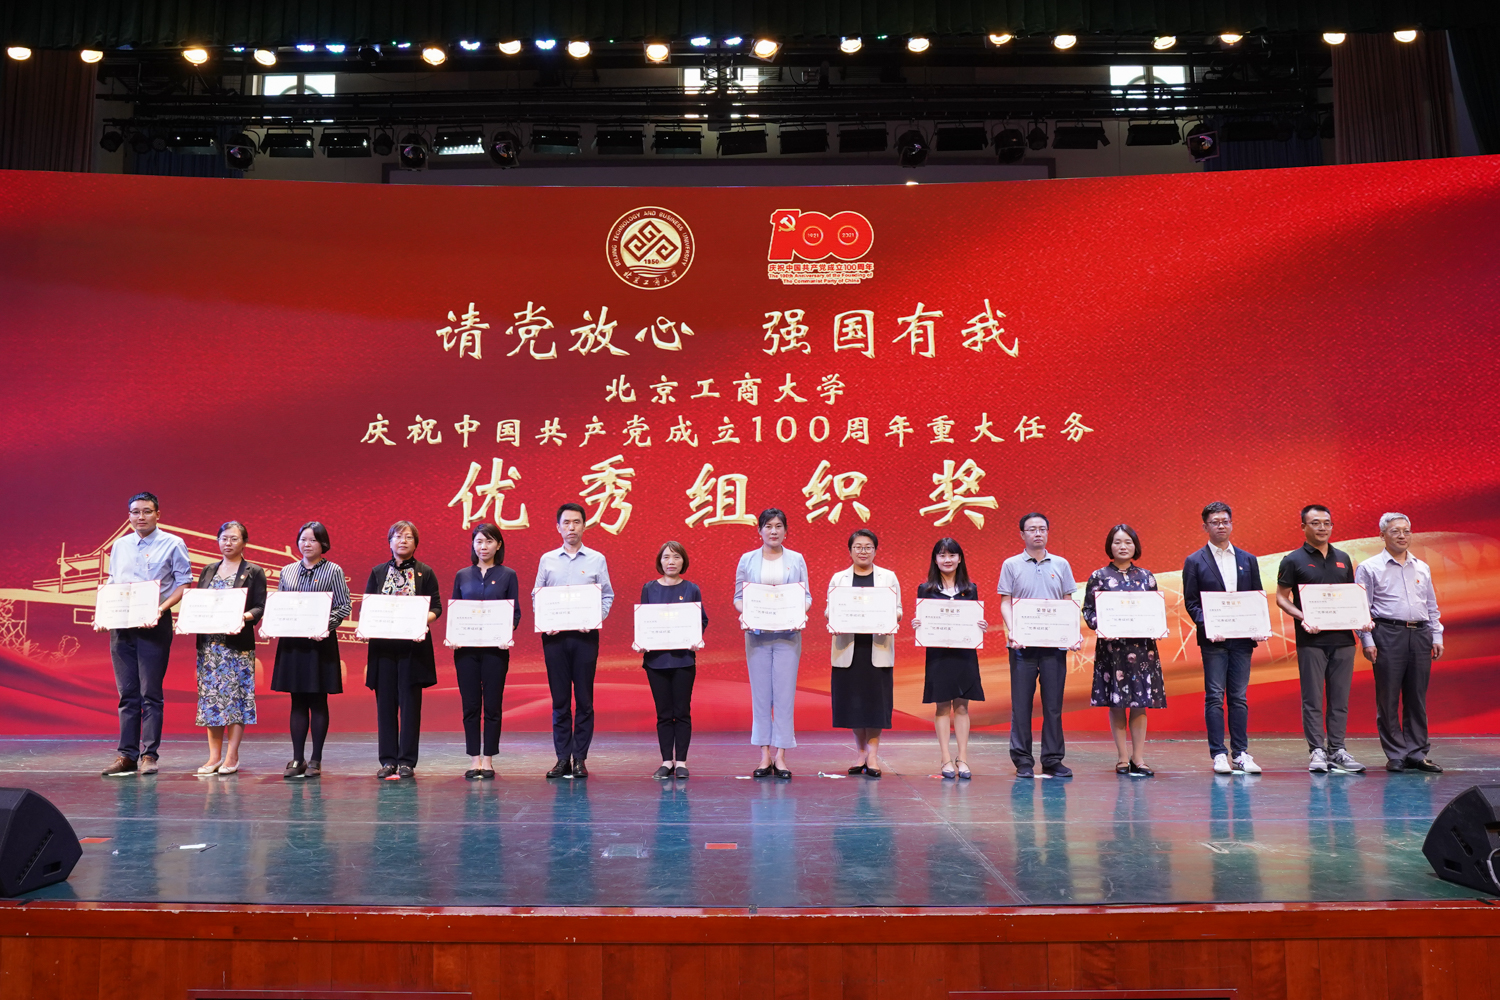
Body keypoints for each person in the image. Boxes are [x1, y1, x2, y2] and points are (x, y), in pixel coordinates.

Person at [98, 491, 193, 777]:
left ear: (157, 514)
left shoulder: (173, 543)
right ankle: (126, 755)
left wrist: (160, 609)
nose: (141, 517)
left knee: (150, 693)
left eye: (147, 511)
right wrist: (103, 614)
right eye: (135, 512)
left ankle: (149, 755)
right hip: (121, 625)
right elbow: (113, 582)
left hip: (154, 625)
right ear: (129, 516)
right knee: (127, 693)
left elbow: (184, 583)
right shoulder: (120, 545)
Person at [1276, 504, 1370, 774]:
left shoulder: (1343, 558)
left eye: (1327, 523)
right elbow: (1281, 597)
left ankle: (1337, 748)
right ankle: (1317, 750)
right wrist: (1302, 617)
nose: (1322, 528)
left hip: (1343, 640)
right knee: (1313, 698)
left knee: (1340, 698)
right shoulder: (1293, 560)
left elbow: (1350, 595)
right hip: (1312, 640)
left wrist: (1361, 619)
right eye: (1315, 523)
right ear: (1303, 527)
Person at [1182, 501, 1267, 775]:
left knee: (1239, 697)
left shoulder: (1247, 559)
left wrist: (1258, 625)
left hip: (1242, 640)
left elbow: (1256, 597)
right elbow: (1191, 602)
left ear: (1231, 524)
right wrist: (1208, 625)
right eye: (1215, 522)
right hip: (1214, 640)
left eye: (1225, 521)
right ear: (1205, 526)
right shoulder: (1195, 561)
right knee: (1215, 696)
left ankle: (1241, 753)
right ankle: (1218, 754)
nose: (1221, 526)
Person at [1356, 513, 1444, 773]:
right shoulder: (1369, 567)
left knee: (1417, 696)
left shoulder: (1422, 567)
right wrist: (1367, 640)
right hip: (1387, 633)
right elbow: (1361, 609)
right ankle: (1395, 753)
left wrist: (1436, 635)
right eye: (1395, 531)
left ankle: (1417, 753)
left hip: (1420, 634)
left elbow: (1431, 605)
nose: (1402, 536)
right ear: (1382, 535)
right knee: (1388, 696)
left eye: (1406, 531)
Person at [997, 511, 1082, 778]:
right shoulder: (1011, 564)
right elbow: (1005, 602)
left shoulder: (1061, 564)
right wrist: (1013, 631)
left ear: (1047, 532)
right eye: (1032, 529)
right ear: (1022, 534)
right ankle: (1023, 760)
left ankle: (1053, 759)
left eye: (1042, 529)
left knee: (1053, 705)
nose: (1037, 533)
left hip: (1054, 647)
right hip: (1021, 646)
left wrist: (1072, 633)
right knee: (1021, 705)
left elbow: (1068, 603)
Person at [534, 503, 614, 779]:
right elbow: (537, 595)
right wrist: (544, 621)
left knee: (584, 700)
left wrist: (594, 618)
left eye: (576, 522)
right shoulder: (547, 559)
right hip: (554, 639)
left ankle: (579, 758)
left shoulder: (596, 559)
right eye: (566, 522)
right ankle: (561, 759)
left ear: (584, 525)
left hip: (585, 638)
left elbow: (607, 595)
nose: (571, 527)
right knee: (560, 700)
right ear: (558, 527)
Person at [1082, 525, 1167, 777]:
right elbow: (1088, 610)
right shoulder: (1098, 576)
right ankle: (1121, 757)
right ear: (1110, 546)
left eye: (1128, 542)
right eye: (1117, 542)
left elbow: (1155, 610)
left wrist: (1156, 626)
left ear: (1135, 546)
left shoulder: (1146, 577)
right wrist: (1101, 626)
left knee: (1140, 703)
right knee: (1117, 702)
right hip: (1113, 649)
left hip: (1142, 649)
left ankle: (1138, 758)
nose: (1123, 546)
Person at [269, 521, 351, 779]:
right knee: (297, 701)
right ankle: (297, 759)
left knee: (317, 700)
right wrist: (273, 624)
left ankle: (315, 759)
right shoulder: (288, 571)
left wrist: (324, 626)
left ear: (323, 543)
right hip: (293, 644)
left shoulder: (333, 570)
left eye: (313, 540)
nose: (307, 544)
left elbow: (344, 606)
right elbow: (281, 604)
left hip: (320, 644)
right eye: (303, 539)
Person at [734, 507, 811, 779]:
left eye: (778, 526)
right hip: (757, 635)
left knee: (784, 696)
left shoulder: (796, 559)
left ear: (786, 531)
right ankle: (764, 753)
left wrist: (798, 613)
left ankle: (781, 755)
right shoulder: (747, 560)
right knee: (761, 696)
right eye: (768, 526)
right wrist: (747, 612)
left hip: (788, 635)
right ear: (760, 531)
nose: (773, 531)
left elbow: (806, 596)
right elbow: (739, 597)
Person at [361, 520, 442, 779]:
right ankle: (388, 760)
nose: (403, 541)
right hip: (383, 649)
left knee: (410, 706)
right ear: (390, 542)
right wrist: (365, 627)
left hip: (412, 650)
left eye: (408, 537)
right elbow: (368, 606)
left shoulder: (425, 572)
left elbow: (437, 607)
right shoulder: (377, 572)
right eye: (397, 536)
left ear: (415, 543)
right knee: (385, 705)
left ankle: (407, 761)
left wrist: (420, 620)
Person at [188, 521, 266, 775]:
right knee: (211, 700)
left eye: (234, 539)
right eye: (224, 538)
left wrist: (242, 617)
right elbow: (199, 602)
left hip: (237, 648)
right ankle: (214, 757)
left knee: (236, 700)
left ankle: (232, 756)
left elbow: (260, 607)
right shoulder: (208, 570)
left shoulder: (254, 571)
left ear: (244, 542)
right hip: (210, 648)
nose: (228, 543)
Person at [826, 528, 902, 777]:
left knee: (875, 704)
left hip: (876, 648)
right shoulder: (839, 579)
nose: (863, 551)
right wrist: (835, 618)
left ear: (875, 550)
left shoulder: (888, 577)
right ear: (850, 550)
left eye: (868, 547)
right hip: (849, 649)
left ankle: (873, 756)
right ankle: (860, 754)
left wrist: (889, 617)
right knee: (854, 704)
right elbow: (829, 610)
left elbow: (898, 610)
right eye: (858, 547)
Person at [449, 523, 521, 780]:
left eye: (489, 541)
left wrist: (506, 633)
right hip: (465, 652)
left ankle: (488, 759)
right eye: (479, 541)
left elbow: (515, 613)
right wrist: (454, 635)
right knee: (470, 705)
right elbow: (455, 610)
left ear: (498, 545)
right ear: (473, 544)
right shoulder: (462, 575)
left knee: (492, 705)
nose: (483, 546)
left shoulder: (508, 575)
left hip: (495, 651)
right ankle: (473, 759)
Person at [911, 537, 988, 779]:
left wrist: (980, 626)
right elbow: (924, 620)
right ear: (935, 559)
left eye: (952, 555)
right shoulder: (926, 589)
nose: (947, 560)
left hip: (964, 654)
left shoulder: (970, 589)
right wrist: (918, 624)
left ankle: (962, 758)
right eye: (942, 555)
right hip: (939, 655)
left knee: (963, 706)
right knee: (942, 705)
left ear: (960, 559)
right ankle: (945, 758)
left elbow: (973, 619)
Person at [636, 540, 708, 780]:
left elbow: (701, 620)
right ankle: (667, 761)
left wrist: (695, 638)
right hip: (656, 661)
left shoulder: (692, 589)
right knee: (664, 713)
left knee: (682, 712)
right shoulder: (649, 588)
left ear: (683, 561)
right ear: (660, 561)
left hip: (683, 660)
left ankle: (682, 762)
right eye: (666, 557)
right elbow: (644, 620)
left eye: (676, 557)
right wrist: (641, 640)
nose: (671, 562)